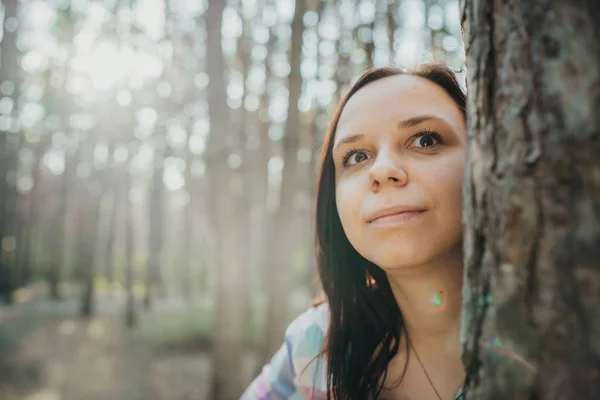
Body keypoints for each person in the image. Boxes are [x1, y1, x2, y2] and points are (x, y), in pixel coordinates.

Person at [242, 63, 469, 400]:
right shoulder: (314, 347)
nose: (381, 171)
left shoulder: (560, 343)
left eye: (425, 139)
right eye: (357, 156)